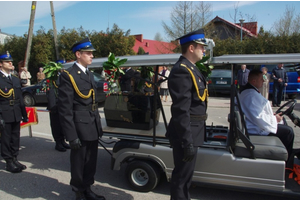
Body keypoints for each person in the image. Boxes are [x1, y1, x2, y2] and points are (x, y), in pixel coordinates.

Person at [58, 38, 105, 200]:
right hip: (79, 127)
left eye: (92, 53)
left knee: (91, 161)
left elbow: (93, 103)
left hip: (91, 124)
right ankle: (78, 191)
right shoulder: (68, 76)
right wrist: (71, 136)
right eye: (88, 53)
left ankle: (87, 188)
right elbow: (65, 109)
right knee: (79, 162)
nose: (92, 56)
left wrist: (98, 126)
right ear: (78, 54)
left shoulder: (89, 74)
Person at [166, 29, 208, 200]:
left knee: (186, 176)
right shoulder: (182, 70)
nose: (203, 50)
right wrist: (187, 141)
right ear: (191, 48)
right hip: (186, 132)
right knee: (181, 176)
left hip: (194, 129)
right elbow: (181, 110)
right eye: (201, 47)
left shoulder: (192, 68)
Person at [239, 69, 294, 164]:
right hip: (255, 129)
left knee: (284, 124)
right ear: (254, 81)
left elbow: (258, 112)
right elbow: (258, 117)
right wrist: (274, 119)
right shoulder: (250, 95)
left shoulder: (251, 92)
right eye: (261, 79)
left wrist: (272, 116)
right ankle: (287, 165)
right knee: (288, 132)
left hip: (256, 125)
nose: (263, 81)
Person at [0, 51, 28, 173]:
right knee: (6, 138)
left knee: (15, 137)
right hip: (4, 113)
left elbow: (20, 99)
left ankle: (15, 158)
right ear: (0, 64)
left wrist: (24, 114)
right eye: (7, 61)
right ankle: (8, 161)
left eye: (11, 61)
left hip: (16, 112)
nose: (10, 63)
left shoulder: (15, 79)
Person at [46, 74, 70, 152]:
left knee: (62, 125)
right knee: (56, 125)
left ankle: (63, 141)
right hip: (55, 107)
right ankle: (58, 143)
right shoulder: (51, 80)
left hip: (62, 105)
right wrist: (52, 106)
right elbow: (50, 94)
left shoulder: (62, 78)